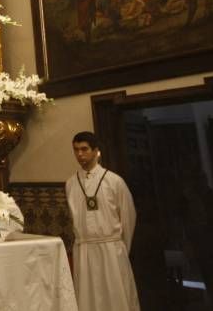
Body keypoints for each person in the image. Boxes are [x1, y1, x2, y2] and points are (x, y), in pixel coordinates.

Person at [65, 131, 139, 311]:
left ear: (96, 151)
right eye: (76, 150)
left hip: (111, 248)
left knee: (116, 296)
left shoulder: (114, 181)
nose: (80, 154)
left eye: (84, 149)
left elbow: (128, 217)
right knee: (88, 298)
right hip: (84, 249)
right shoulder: (71, 183)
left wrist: (120, 247)